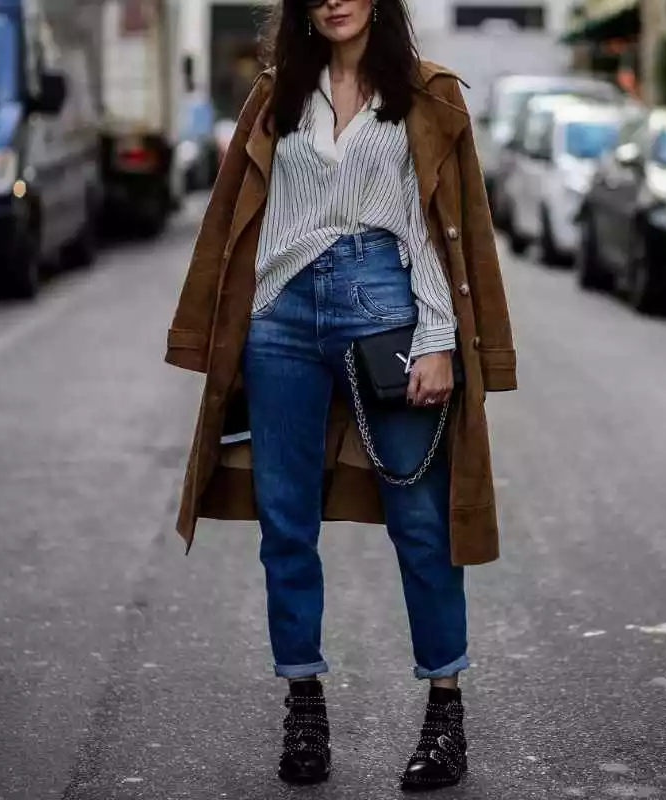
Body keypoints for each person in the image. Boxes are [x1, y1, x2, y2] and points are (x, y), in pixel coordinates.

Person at [164, 0, 516, 791]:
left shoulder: (429, 94)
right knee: (284, 521)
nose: (334, 0)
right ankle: (304, 706)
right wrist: (238, 322)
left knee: (421, 520)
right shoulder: (275, 92)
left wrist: (437, 339)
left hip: (383, 304)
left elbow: (440, 227)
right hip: (281, 315)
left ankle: (444, 712)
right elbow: (237, 221)